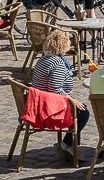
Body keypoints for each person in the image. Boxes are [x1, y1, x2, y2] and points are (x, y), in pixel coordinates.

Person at [30, 29, 90, 160]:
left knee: (78, 108)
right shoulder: (57, 63)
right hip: (48, 107)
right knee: (83, 112)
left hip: (40, 102)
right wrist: (72, 100)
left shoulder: (43, 60)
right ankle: (68, 144)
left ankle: (73, 147)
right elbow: (55, 89)